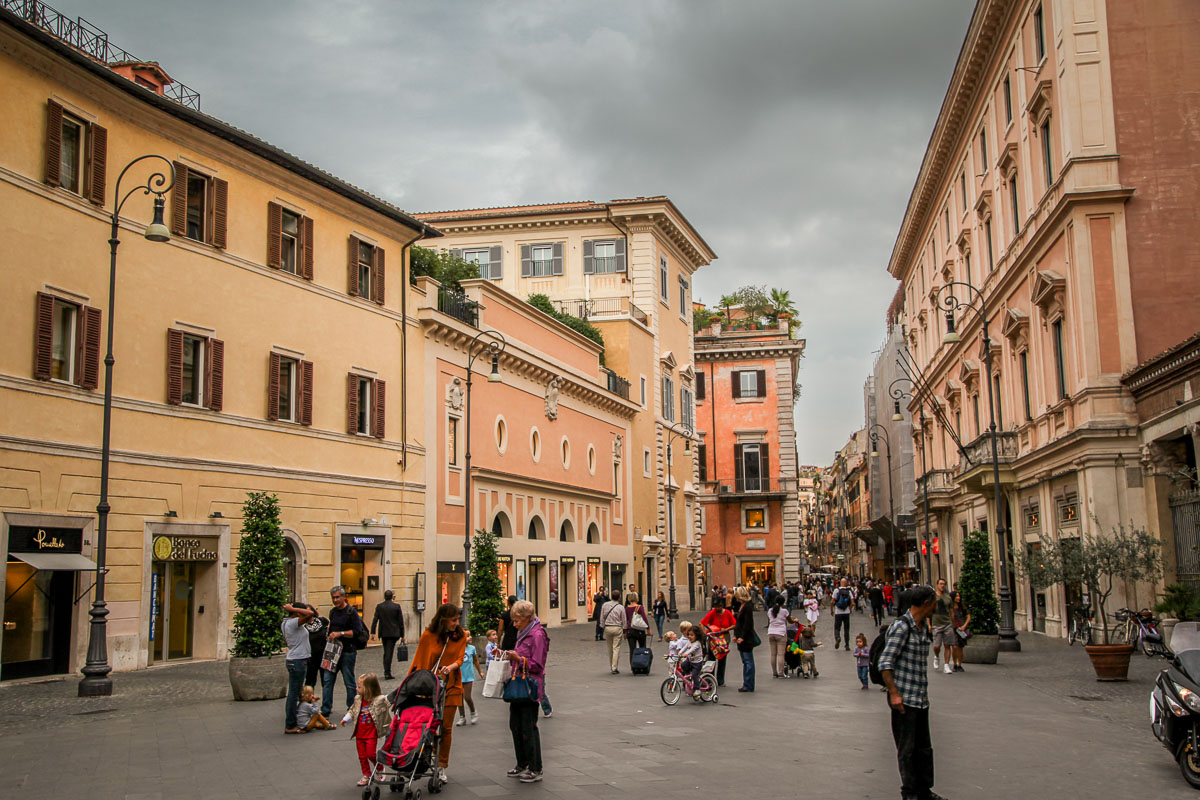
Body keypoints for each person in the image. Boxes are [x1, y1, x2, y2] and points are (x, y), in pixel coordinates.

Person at [879, 584, 944, 800]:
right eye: (934, 602)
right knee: (907, 750)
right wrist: (894, 693)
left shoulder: (921, 626)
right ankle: (910, 793)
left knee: (924, 748)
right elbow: (885, 662)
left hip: (920, 698)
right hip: (904, 699)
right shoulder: (902, 627)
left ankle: (924, 790)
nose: (936, 606)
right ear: (926, 603)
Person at [408, 603, 468, 783]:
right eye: (453, 620)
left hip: (452, 686)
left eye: (458, 620)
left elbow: (460, 657)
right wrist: (412, 684)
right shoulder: (428, 636)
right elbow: (420, 661)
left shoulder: (460, 636)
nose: (457, 623)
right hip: (430, 688)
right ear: (443, 620)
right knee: (429, 728)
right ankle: (427, 758)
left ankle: (441, 765)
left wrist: (451, 667)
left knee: (446, 728)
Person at [504, 599, 548, 783]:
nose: (515, 624)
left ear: (528, 618)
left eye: (517, 620)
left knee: (528, 727)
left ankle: (535, 768)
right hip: (517, 684)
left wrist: (519, 659)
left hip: (530, 686)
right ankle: (522, 763)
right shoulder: (523, 633)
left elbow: (538, 665)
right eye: (513, 620)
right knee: (515, 725)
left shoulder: (537, 635)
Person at [320, 586, 366, 719]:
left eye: (337, 597)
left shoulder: (351, 612)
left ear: (343, 597)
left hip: (348, 651)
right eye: (333, 598)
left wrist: (340, 634)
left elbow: (357, 632)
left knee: (349, 681)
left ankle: (351, 708)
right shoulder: (333, 612)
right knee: (327, 680)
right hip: (333, 651)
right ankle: (326, 709)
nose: (335, 600)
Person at [340, 672, 391, 787]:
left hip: (371, 733)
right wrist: (346, 718)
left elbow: (388, 701)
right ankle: (366, 774)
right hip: (360, 733)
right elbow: (353, 710)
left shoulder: (378, 700)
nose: (356, 688)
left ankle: (379, 767)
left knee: (371, 754)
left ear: (368, 688)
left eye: (359, 687)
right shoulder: (358, 699)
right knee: (362, 756)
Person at [282, 601, 315, 734]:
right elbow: (311, 613)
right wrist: (294, 608)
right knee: (293, 695)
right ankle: (290, 725)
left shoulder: (286, 622)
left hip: (294, 659)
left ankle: (297, 720)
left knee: (294, 693)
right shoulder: (292, 623)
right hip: (297, 660)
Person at [700, 597, 736, 687]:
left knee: (722, 659)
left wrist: (726, 629)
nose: (717, 608)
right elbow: (702, 623)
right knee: (711, 659)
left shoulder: (727, 613)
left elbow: (734, 624)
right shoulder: (713, 613)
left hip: (724, 638)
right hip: (713, 639)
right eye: (715, 606)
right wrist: (705, 634)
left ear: (722, 606)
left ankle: (720, 680)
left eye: (718, 606)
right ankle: (710, 678)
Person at [371, 589, 405, 680]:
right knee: (389, 652)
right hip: (394, 633)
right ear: (392, 597)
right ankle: (387, 672)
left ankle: (387, 670)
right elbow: (401, 622)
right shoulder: (396, 607)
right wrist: (403, 635)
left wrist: (372, 632)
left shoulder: (380, 607)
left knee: (387, 651)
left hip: (384, 633)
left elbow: (375, 620)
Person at [733, 586, 757, 692]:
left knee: (748, 661)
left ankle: (749, 684)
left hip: (746, 639)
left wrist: (742, 637)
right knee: (746, 661)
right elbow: (740, 623)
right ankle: (746, 683)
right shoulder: (742, 606)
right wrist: (736, 635)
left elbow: (748, 624)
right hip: (741, 638)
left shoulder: (747, 607)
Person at [766, 595, 796, 679]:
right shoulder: (784, 611)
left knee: (773, 654)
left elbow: (770, 619)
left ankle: (774, 672)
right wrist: (795, 621)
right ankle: (781, 673)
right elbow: (790, 621)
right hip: (781, 633)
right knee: (780, 654)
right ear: (783, 602)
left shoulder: (770, 610)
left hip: (771, 632)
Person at [456, 631, 481, 726]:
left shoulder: (472, 648)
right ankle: (462, 717)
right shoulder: (457, 649)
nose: (470, 637)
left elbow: (476, 661)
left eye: (470, 635)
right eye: (467, 636)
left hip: (468, 676)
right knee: (458, 698)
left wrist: (480, 672)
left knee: (467, 697)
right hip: (458, 676)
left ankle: (473, 713)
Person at [930, 579, 955, 674]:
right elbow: (929, 611)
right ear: (937, 585)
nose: (942, 586)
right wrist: (929, 624)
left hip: (947, 623)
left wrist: (953, 624)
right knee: (937, 646)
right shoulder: (933, 597)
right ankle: (936, 656)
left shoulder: (948, 597)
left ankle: (946, 665)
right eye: (941, 584)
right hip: (936, 624)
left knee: (947, 645)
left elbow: (951, 611)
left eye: (944, 584)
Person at [599, 589, 626, 674]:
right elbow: (624, 620)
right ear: (619, 598)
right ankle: (614, 667)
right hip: (617, 628)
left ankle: (612, 665)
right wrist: (625, 630)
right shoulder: (621, 607)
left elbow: (602, 617)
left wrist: (602, 626)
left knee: (609, 648)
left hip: (608, 628)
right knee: (616, 648)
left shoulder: (605, 605)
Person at [303, 603, 329, 690]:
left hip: (324, 655)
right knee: (310, 681)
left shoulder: (322, 621)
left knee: (326, 681)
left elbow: (330, 627)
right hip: (311, 657)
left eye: (309, 610)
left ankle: (326, 702)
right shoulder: (304, 627)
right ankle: (308, 701)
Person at [678, 625, 706, 699]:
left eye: (692, 635)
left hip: (697, 663)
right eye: (689, 635)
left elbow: (692, 650)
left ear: (697, 636)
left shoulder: (697, 643)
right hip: (690, 660)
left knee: (694, 674)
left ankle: (697, 689)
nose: (690, 637)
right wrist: (680, 653)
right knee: (683, 665)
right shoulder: (689, 642)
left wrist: (686, 654)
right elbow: (684, 648)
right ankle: (688, 675)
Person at [624, 592, 651, 658]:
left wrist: (624, 632)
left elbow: (626, 620)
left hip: (630, 630)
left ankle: (633, 665)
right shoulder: (640, 607)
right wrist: (648, 629)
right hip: (640, 630)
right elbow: (644, 618)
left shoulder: (627, 608)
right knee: (642, 648)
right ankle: (642, 663)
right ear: (637, 598)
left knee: (632, 650)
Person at [950, 591, 971, 673]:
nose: (958, 598)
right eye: (956, 596)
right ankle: (955, 664)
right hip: (954, 629)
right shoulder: (950, 608)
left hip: (962, 629)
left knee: (960, 647)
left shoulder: (962, 607)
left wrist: (964, 626)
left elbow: (968, 617)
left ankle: (959, 665)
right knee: (954, 646)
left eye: (959, 596)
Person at [831, 578, 854, 650]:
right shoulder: (849, 591)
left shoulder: (836, 590)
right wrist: (849, 609)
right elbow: (853, 603)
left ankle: (837, 638)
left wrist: (831, 610)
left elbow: (832, 602)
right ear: (846, 583)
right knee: (846, 629)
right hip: (846, 612)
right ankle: (847, 645)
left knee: (837, 628)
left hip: (838, 612)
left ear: (840, 583)